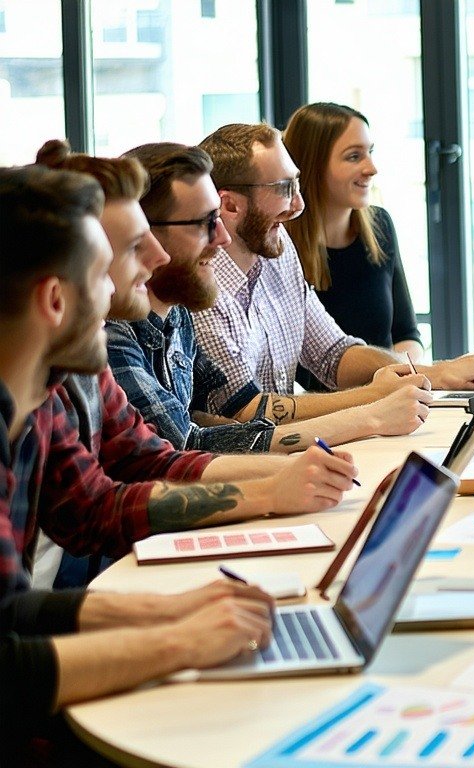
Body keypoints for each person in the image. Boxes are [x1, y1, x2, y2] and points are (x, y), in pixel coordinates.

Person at [0, 164, 275, 757]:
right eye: (106, 270)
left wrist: (164, 611)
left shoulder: (32, 401)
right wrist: (178, 641)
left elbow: (13, 604)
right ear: (53, 299)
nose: (142, 272)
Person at [27, 143, 356, 591]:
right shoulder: (93, 349)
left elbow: (124, 483)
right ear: (53, 295)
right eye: (112, 261)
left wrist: (285, 481)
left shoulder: (71, 371)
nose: (157, 258)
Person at [107, 141, 430, 453]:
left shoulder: (175, 313)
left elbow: (217, 418)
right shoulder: (113, 333)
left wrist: (408, 385)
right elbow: (185, 449)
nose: (221, 237)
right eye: (205, 222)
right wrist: (368, 414)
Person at [192, 123, 474, 418]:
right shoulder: (201, 288)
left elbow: (334, 353)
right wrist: (373, 397)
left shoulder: (278, 248)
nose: (298, 204)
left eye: (297, 184)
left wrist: (433, 373)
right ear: (230, 206)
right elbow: (243, 410)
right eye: (284, 188)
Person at [282, 103, 423, 377]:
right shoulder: (279, 248)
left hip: (390, 395)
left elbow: (406, 333)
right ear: (311, 165)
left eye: (370, 153)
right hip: (327, 410)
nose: (371, 168)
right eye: (354, 156)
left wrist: (406, 374)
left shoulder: (380, 225)